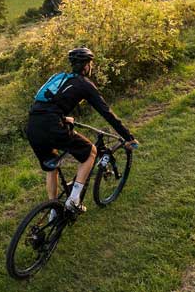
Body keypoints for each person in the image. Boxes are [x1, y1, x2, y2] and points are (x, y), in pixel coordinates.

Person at [26, 47, 139, 214]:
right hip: (53, 126)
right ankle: (74, 200)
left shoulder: (58, 77)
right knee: (91, 152)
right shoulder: (85, 84)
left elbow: (42, 103)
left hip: (33, 126)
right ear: (86, 66)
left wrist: (62, 117)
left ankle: (53, 209)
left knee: (52, 166)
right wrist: (128, 137)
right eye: (90, 63)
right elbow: (106, 112)